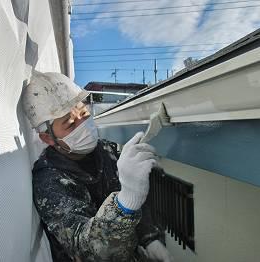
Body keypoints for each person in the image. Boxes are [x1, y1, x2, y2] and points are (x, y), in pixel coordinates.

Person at [22, 71, 173, 262]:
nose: (83, 124)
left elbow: (140, 210)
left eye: (84, 114)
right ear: (47, 138)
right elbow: (87, 249)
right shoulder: (49, 181)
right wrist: (126, 201)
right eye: (69, 124)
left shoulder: (106, 151)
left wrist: (150, 238)